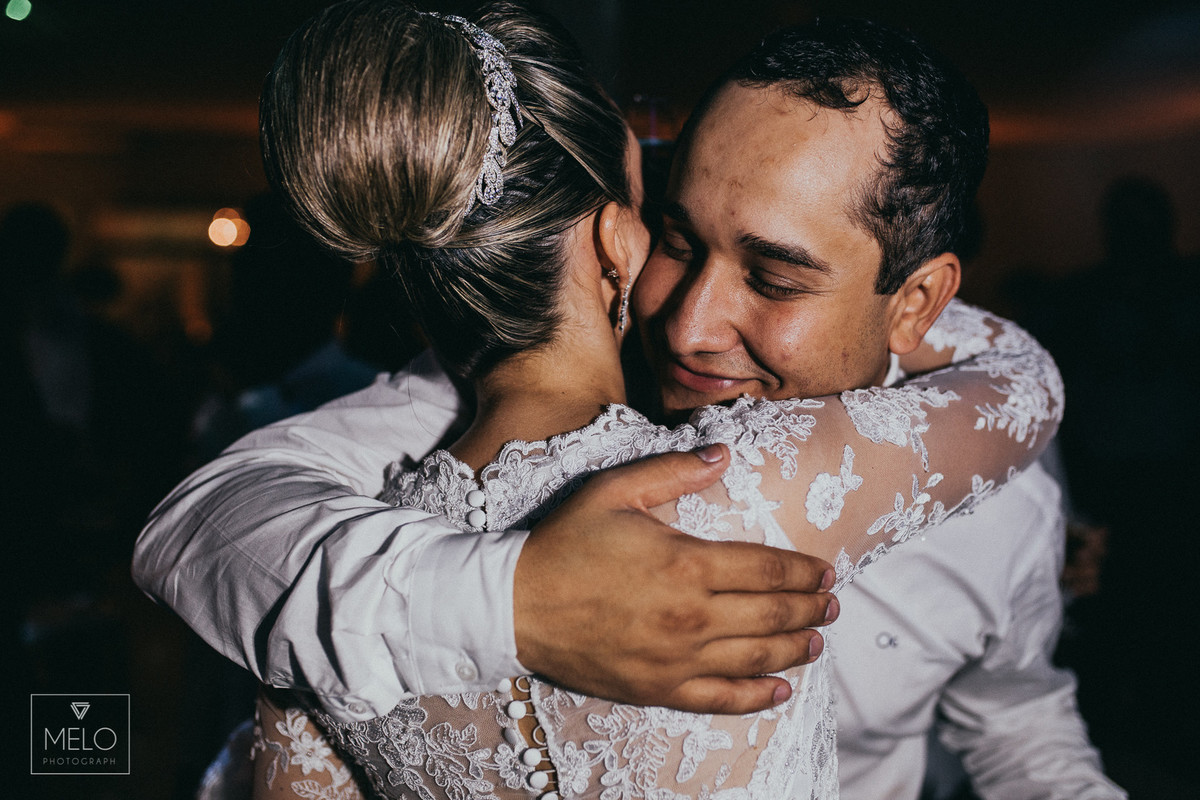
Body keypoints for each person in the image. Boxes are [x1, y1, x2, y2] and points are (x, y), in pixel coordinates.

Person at [134, 8, 1118, 799]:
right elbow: (198, 523)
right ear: (625, 237)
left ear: (917, 302)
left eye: (774, 280)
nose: (688, 326)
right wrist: (516, 597)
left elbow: (1018, 722)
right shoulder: (462, 403)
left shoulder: (1010, 502)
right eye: (678, 241)